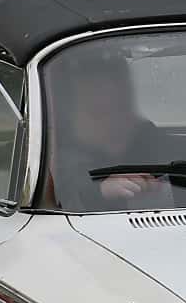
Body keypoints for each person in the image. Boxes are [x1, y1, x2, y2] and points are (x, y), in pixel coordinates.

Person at [48, 52, 171, 210]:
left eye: (120, 107)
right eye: (97, 112)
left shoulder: (147, 135)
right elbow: (64, 194)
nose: (114, 121)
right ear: (71, 117)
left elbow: (184, 166)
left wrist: (160, 179)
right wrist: (99, 190)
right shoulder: (58, 154)